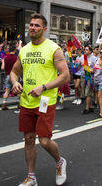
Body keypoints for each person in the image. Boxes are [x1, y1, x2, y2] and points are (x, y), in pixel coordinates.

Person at [10, 13, 69, 186]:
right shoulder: (25, 50)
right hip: (26, 102)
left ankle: (59, 162)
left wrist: (44, 87)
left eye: (37, 25)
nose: (33, 28)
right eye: (31, 25)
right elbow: (14, 71)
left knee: (43, 140)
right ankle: (31, 177)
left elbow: (65, 76)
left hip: (45, 101)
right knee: (28, 138)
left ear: (44, 29)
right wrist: (14, 83)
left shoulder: (53, 48)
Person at [0, 42, 17, 110]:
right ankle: (20, 104)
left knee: (7, 91)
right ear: (15, 50)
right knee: (18, 90)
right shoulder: (17, 58)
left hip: (8, 76)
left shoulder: (6, 58)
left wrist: (3, 61)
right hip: (15, 76)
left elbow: (2, 68)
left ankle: (4, 104)